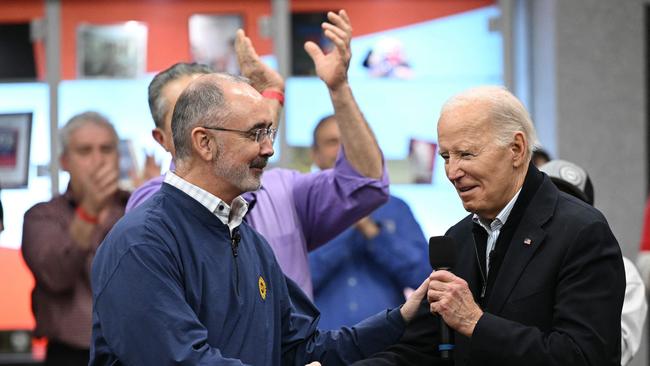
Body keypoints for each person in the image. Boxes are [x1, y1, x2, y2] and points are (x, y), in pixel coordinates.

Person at [89, 70, 429, 365]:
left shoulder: (249, 241)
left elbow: (300, 349)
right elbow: (180, 360)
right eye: (255, 133)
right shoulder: (142, 242)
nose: (268, 148)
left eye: (269, 133)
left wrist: (399, 318)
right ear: (204, 143)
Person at [353, 85, 625, 366]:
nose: (452, 172)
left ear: (516, 149)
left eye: (467, 154)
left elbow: (584, 357)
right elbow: (417, 352)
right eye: (446, 157)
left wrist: (476, 323)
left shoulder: (581, 232)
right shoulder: (457, 239)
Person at [126, 10, 388, 298]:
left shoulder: (284, 189)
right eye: (186, 114)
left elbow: (365, 184)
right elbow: (211, 198)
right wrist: (268, 107)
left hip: (294, 345)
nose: (204, 123)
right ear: (163, 139)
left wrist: (339, 89)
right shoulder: (152, 204)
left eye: (213, 106)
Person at [21, 112, 129, 366]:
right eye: (85, 151)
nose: (98, 160)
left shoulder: (136, 208)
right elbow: (56, 277)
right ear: (65, 161)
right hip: (69, 355)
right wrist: (89, 210)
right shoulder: (43, 216)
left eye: (106, 149)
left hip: (133, 352)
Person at [309, 115, 431, 329]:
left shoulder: (396, 208)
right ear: (315, 155)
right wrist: (347, 223)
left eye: (350, 140)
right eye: (332, 142)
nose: (343, 150)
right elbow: (289, 284)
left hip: (387, 349)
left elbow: (425, 278)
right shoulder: (298, 210)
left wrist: (373, 232)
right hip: (320, 352)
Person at [539, 159, 647, 366]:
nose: (560, 210)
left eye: (571, 201)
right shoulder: (504, 253)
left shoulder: (623, 270)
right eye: (551, 198)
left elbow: (609, 353)